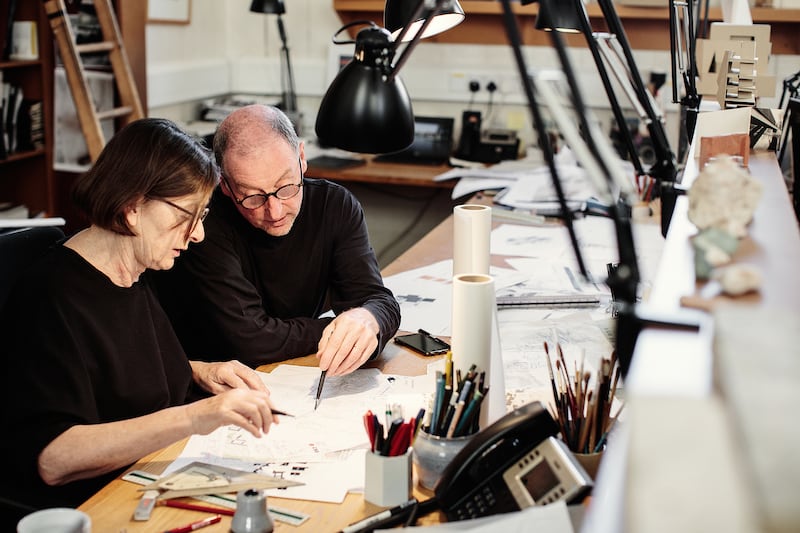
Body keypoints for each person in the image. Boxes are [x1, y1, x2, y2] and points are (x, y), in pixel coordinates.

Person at [0, 118, 280, 514]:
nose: (197, 235)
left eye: (203, 216)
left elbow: (113, 367)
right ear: (133, 208)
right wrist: (194, 417)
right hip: (98, 506)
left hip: (151, 478)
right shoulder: (50, 297)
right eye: (190, 215)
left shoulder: (134, 271)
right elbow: (53, 458)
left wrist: (198, 369)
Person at [154, 104, 400, 375]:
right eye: (253, 197)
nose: (275, 211)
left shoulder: (335, 205)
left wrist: (367, 319)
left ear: (302, 158)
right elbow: (252, 340)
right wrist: (337, 327)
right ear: (224, 185)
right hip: (220, 380)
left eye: (286, 187)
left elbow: (377, 299)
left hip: (293, 371)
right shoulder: (206, 226)